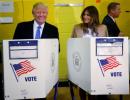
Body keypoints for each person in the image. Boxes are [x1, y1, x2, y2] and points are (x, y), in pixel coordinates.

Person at [13, 2, 59, 100]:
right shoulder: (21, 27)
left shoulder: (53, 29)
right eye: (38, 12)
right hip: (25, 67)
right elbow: (14, 48)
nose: (41, 15)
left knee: (41, 94)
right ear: (33, 13)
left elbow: (56, 50)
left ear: (47, 13)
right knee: (24, 94)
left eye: (44, 12)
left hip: (43, 68)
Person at [71, 6, 108, 100]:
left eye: (88, 14)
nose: (85, 16)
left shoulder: (103, 28)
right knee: (82, 86)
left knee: (93, 88)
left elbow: (106, 46)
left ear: (94, 16)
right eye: (84, 14)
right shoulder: (77, 27)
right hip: (82, 63)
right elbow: (72, 46)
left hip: (97, 64)